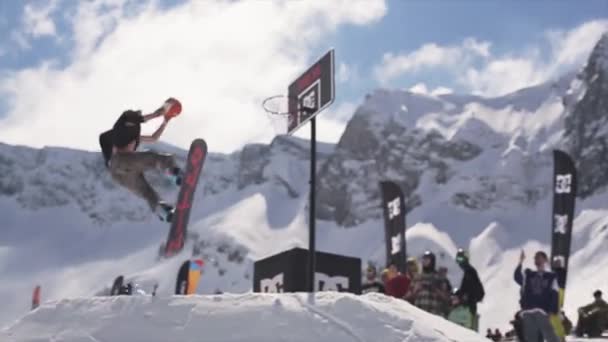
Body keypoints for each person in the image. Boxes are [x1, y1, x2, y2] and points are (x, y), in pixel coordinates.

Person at [99, 98, 183, 222]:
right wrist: (160, 112)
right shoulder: (122, 125)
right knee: (155, 158)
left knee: (147, 192)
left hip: (119, 175)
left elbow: (154, 138)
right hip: (121, 161)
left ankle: (164, 212)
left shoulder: (134, 136)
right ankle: (174, 174)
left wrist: (165, 121)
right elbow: (140, 119)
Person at [514, 250, 560, 342]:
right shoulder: (528, 274)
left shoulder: (551, 277)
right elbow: (517, 277)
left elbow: (555, 294)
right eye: (535, 257)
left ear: (545, 260)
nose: (536, 258)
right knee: (531, 338)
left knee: (550, 336)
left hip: (541, 311)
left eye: (539, 257)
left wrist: (551, 311)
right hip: (527, 310)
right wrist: (520, 261)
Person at [409, 251, 449, 316]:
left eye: (427, 260)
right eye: (423, 259)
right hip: (419, 310)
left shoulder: (439, 277)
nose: (424, 262)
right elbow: (410, 294)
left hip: (434, 311)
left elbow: (446, 296)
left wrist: (435, 289)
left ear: (432, 261)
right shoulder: (418, 277)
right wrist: (417, 289)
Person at [454, 249, 485, 319]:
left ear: (465, 259)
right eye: (457, 259)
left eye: (460, 259)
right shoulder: (466, 271)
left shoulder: (469, 271)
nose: (459, 262)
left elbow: (470, 287)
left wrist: (464, 295)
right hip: (467, 303)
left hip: (469, 304)